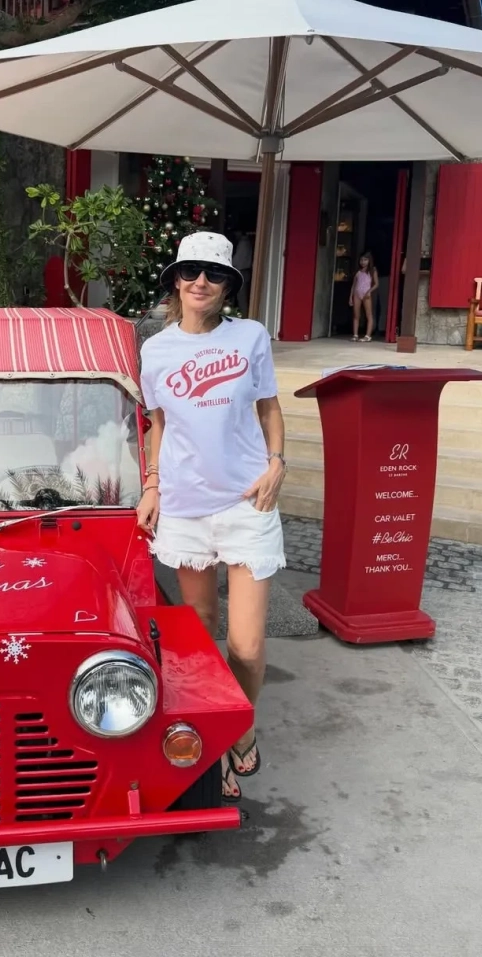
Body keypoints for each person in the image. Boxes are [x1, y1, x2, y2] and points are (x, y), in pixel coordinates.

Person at [137, 231, 286, 804]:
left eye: (215, 273)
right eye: (191, 271)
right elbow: (158, 425)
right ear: (176, 280)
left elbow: (269, 408)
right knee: (198, 632)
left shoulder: (250, 337)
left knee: (245, 645)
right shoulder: (156, 350)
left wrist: (277, 463)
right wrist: (152, 486)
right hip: (184, 507)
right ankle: (215, 740)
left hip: (248, 502)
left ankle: (240, 723)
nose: (201, 281)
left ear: (228, 286)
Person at [350, 252, 379, 342]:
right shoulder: (358, 272)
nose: (363, 262)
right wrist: (350, 297)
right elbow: (354, 285)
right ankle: (355, 335)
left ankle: (368, 335)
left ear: (369, 260)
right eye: (361, 260)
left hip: (366, 294)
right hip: (357, 294)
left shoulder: (372, 270)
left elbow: (376, 284)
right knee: (356, 315)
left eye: (365, 260)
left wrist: (369, 291)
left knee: (369, 315)